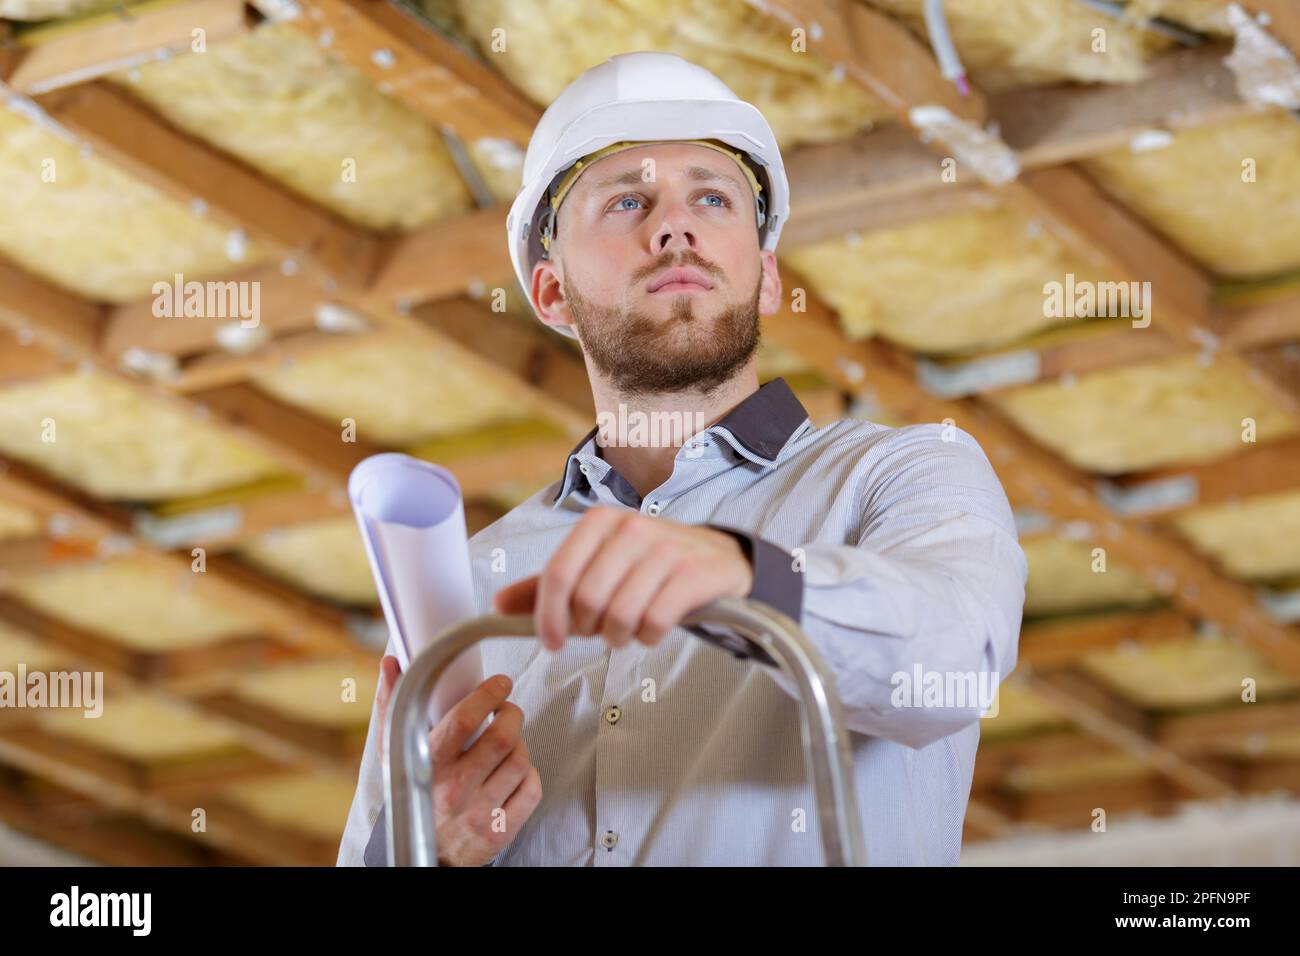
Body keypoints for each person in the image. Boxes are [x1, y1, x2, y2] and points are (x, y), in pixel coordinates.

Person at [338, 51, 1027, 867]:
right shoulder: (469, 584)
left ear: (765, 275)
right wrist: (424, 847)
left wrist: (747, 576)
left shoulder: (898, 477)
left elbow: (955, 662)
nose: (675, 226)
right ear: (552, 292)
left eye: (711, 195)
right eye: (627, 199)